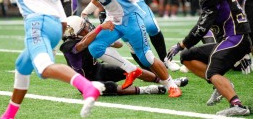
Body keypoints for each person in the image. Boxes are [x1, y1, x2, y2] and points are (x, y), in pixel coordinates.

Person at [68, 0, 182, 97]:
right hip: (113, 19)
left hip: (130, 17)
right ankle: (131, 69)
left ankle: (171, 85)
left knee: (146, 57)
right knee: (96, 47)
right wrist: (86, 9)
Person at [166, 0, 252, 116]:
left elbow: (202, 27)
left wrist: (181, 44)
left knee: (213, 71)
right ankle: (220, 86)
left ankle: (238, 105)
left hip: (235, 39)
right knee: (187, 57)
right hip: (233, 39)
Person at [61, 16, 189, 95]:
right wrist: (100, 28)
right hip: (86, 82)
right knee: (110, 86)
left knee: (131, 69)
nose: (87, 28)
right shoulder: (68, 46)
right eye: (83, 29)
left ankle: (170, 83)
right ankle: (149, 89)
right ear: (72, 34)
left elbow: (118, 45)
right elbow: (82, 44)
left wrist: (108, 38)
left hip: (98, 69)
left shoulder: (89, 39)